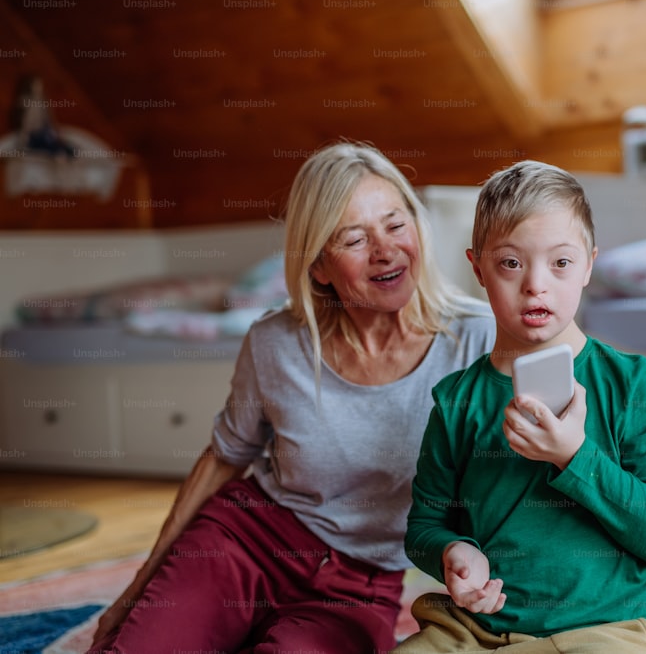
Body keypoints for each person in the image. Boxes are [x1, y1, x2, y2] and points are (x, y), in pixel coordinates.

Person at [89, 142, 495, 654]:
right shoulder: (274, 341)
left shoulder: (480, 340)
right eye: (353, 238)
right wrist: (134, 592)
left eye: (395, 225)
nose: (385, 250)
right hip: (246, 542)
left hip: (358, 587)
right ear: (319, 265)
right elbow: (223, 458)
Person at [393, 161, 646, 653]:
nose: (535, 284)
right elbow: (424, 525)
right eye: (511, 263)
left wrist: (574, 456)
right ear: (478, 268)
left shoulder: (631, 383)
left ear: (589, 265)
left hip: (610, 627)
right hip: (480, 631)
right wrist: (453, 551)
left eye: (561, 263)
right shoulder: (455, 401)